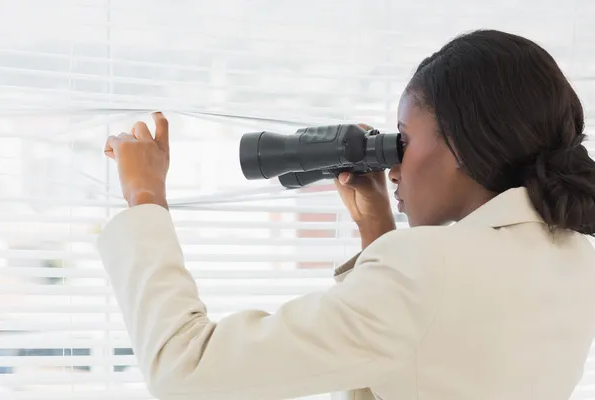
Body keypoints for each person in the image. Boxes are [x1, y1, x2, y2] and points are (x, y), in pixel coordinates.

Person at [99, 29, 595, 400]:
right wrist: (377, 230)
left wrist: (145, 200)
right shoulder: (572, 255)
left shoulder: (425, 270)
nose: (393, 162)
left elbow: (185, 370)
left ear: (462, 146)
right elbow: (431, 362)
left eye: (402, 137)